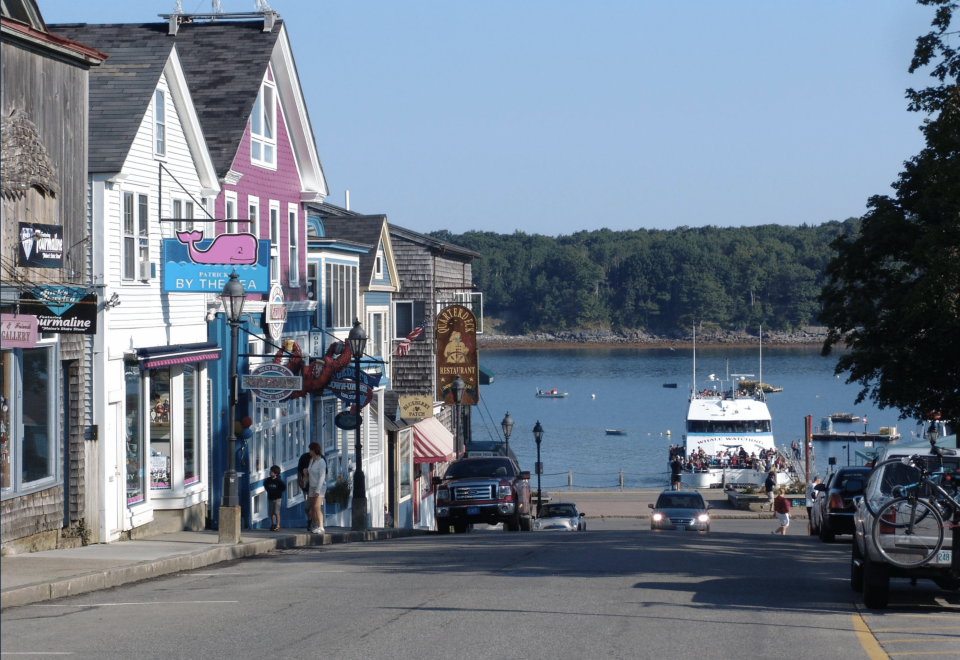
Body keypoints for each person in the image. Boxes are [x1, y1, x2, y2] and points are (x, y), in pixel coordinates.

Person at [307, 443, 327, 535]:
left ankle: (321, 527)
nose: (309, 451)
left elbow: (322, 476)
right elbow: (310, 471)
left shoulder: (321, 461)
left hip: (320, 486)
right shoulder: (311, 460)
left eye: (310, 450)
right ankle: (315, 526)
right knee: (313, 507)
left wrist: (318, 490)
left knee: (317, 507)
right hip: (312, 486)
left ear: (314, 450)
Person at [263, 465, 286, 531]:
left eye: (272, 471)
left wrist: (278, 492)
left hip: (278, 498)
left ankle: (278, 525)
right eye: (270, 471)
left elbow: (283, 487)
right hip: (271, 498)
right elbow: (265, 484)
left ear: (276, 473)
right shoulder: (268, 480)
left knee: (276, 511)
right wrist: (268, 490)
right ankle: (273, 524)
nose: (270, 472)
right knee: (271, 512)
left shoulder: (279, 480)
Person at [297, 445, 314, 530]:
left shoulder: (320, 459)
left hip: (317, 486)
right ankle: (309, 519)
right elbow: (299, 470)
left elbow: (324, 473)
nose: (310, 451)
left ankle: (317, 524)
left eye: (312, 450)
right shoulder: (304, 457)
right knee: (307, 506)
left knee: (316, 506)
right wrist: (299, 479)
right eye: (310, 450)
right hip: (306, 485)